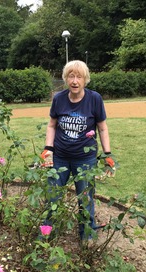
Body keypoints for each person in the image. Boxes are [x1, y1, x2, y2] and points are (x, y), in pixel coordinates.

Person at [41, 60, 116, 241]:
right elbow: (52, 125)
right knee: (52, 197)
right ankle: (46, 235)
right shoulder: (59, 99)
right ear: (66, 79)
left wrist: (107, 154)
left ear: (85, 79)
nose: (75, 81)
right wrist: (48, 149)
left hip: (85, 159)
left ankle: (87, 237)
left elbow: (102, 128)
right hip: (59, 157)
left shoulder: (94, 99)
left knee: (86, 199)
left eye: (79, 77)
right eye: (71, 76)